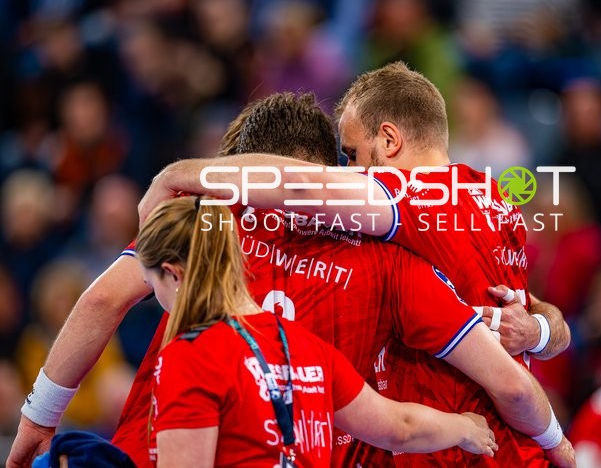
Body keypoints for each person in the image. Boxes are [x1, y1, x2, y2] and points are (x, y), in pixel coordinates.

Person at [10, 93, 575, 468]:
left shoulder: (211, 219)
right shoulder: (392, 255)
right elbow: (505, 373)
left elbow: (101, 300)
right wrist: (546, 423)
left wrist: (37, 419)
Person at [137, 196, 497, 467]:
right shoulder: (309, 349)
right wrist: (464, 428)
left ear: (174, 274)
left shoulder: (189, 356)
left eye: (151, 283)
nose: (157, 296)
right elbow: (398, 426)